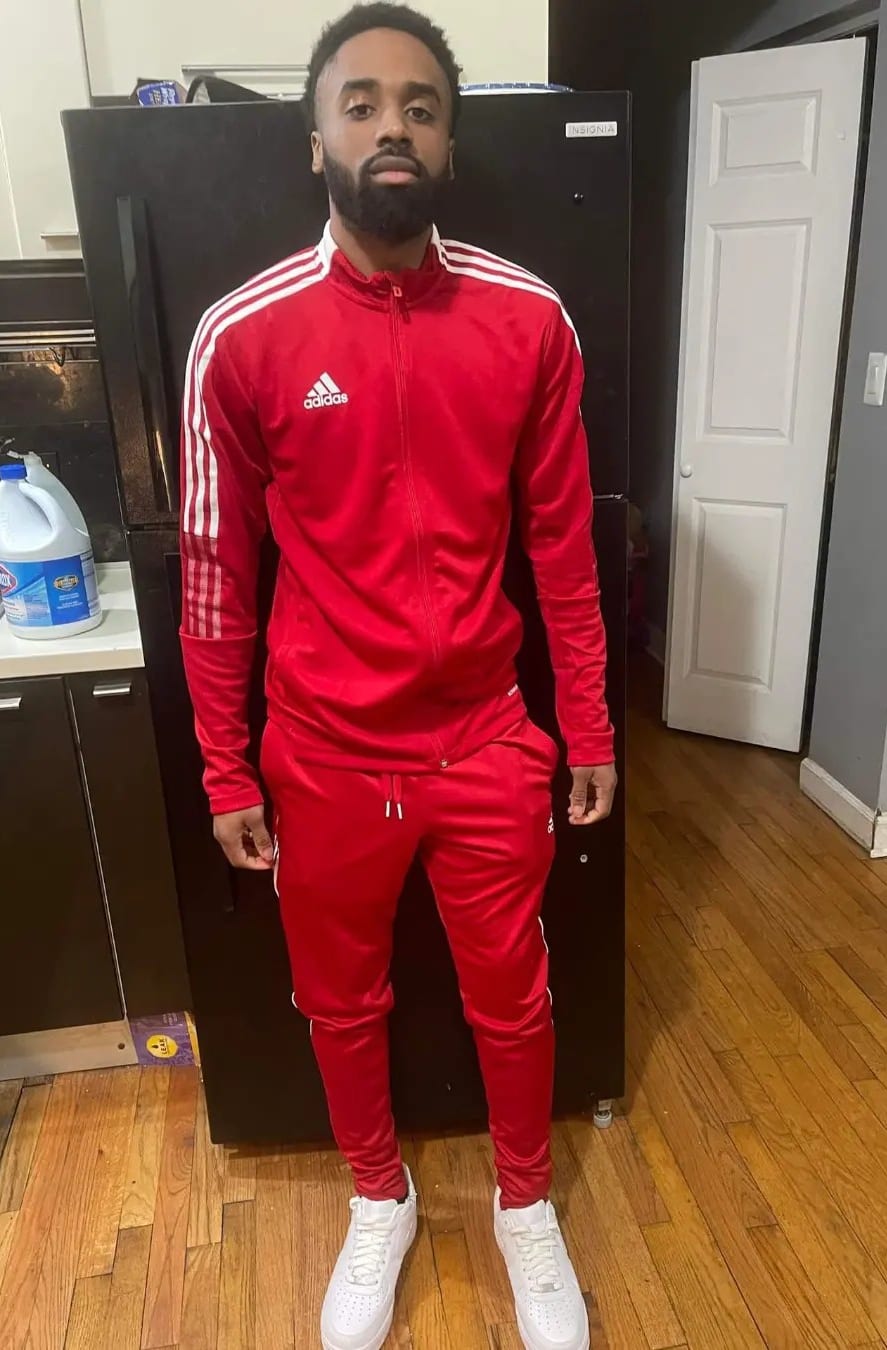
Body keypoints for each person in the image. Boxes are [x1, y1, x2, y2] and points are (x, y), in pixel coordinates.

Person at [180, 4, 616, 1347]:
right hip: (324, 752)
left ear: (450, 144)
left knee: (515, 996)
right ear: (315, 140)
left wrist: (590, 724)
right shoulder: (241, 336)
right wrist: (225, 765)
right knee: (340, 1000)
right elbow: (215, 573)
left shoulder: (529, 319)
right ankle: (381, 1196)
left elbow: (564, 546)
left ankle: (525, 1205)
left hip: (486, 741)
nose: (392, 126)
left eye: (421, 106)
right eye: (360, 103)